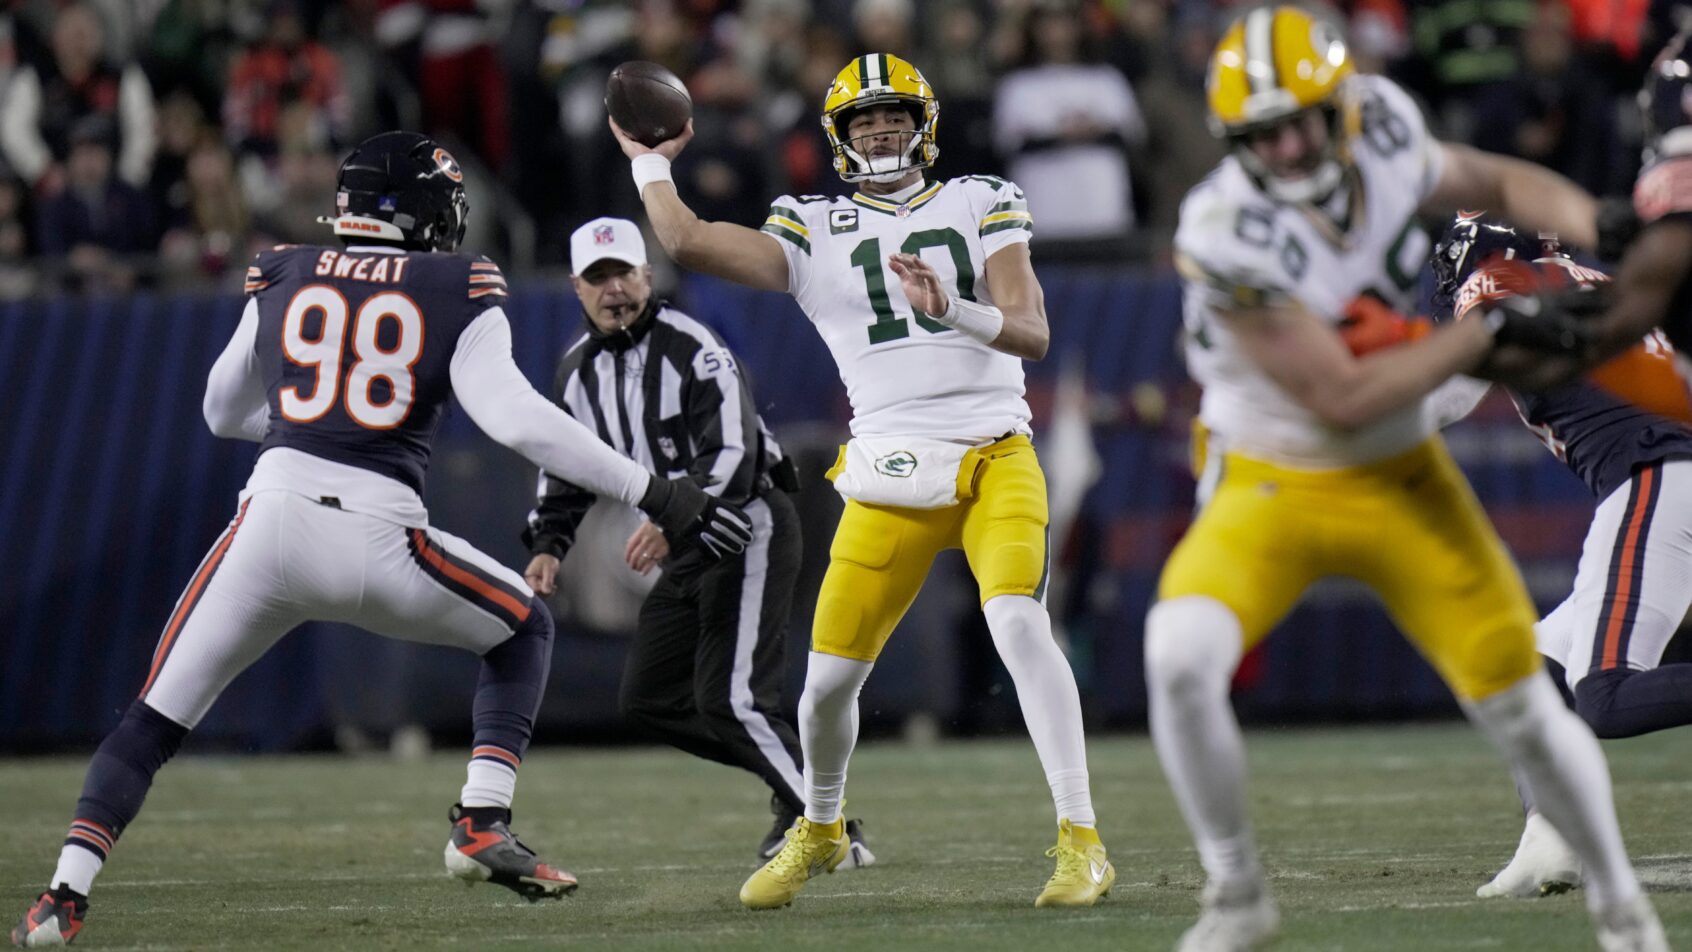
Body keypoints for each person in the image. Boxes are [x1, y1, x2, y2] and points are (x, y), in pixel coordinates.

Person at [8, 131, 754, 948]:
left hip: (270, 524)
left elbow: (221, 412)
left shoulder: (284, 268)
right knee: (522, 629)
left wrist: (310, 425)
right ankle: (479, 819)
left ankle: (61, 899)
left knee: (150, 722)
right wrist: (651, 490)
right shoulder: (458, 282)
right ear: (418, 209)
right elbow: (514, 420)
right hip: (377, 536)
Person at [1152, 7, 1665, 952]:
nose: (1293, 146)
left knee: (1521, 700)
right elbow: (1341, 395)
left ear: (1342, 101)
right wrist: (1489, 332)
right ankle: (1235, 892)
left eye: (1305, 117)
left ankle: (1623, 908)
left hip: (1400, 475)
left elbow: (1495, 178)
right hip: (1275, 476)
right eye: (1265, 134)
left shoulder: (1382, 123)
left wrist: (1599, 221)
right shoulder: (1224, 227)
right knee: (1176, 657)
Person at [610, 53, 1115, 910]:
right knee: (825, 686)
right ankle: (821, 825)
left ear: (925, 123)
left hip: (995, 451)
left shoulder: (981, 198)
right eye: (862, 121)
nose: (879, 130)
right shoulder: (810, 227)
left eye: (892, 116)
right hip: (891, 467)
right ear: (838, 137)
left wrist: (949, 307)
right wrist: (647, 158)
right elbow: (688, 239)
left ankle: (1081, 841)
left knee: (1020, 624)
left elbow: (1031, 333)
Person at [522, 216, 873, 868]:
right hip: (689, 540)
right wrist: (549, 541)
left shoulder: (693, 345)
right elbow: (566, 466)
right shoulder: (575, 373)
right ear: (577, 288)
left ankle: (829, 826)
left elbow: (735, 454)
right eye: (598, 278)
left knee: (733, 699)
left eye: (623, 272)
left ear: (648, 276)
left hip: (748, 522)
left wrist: (673, 516)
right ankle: (799, 790)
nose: (614, 289)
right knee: (651, 699)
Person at [1414, 213, 1692, 899]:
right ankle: (1551, 841)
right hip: (1668, 471)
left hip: (1659, 475)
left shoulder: (1497, 283)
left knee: (1606, 695)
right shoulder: (1604, 281)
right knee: (1530, 667)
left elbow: (1442, 394)